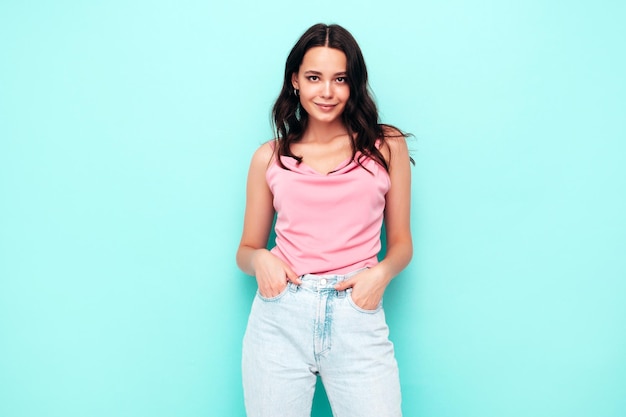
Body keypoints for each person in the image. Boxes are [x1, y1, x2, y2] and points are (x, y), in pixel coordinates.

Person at [236, 23, 413, 417]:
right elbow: (246, 250)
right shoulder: (270, 157)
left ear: (354, 85)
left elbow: (401, 243)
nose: (327, 92)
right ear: (295, 80)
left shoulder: (387, 147)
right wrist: (261, 260)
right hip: (280, 315)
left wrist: (379, 277)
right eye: (314, 77)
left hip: (356, 311)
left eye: (340, 79)